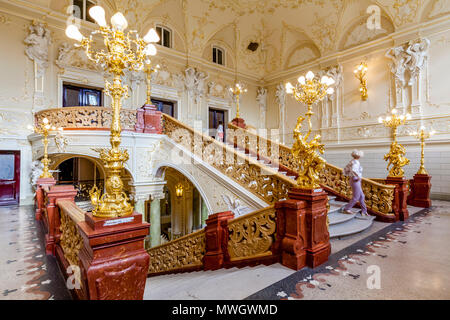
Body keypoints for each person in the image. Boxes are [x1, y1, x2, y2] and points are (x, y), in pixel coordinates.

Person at [340, 149, 370, 218]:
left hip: (354, 179)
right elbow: (353, 170)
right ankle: (346, 209)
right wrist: (357, 176)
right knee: (356, 197)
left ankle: (364, 211)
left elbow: (345, 170)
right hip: (355, 180)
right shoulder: (355, 162)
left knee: (362, 196)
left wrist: (352, 175)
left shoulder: (352, 161)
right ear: (358, 156)